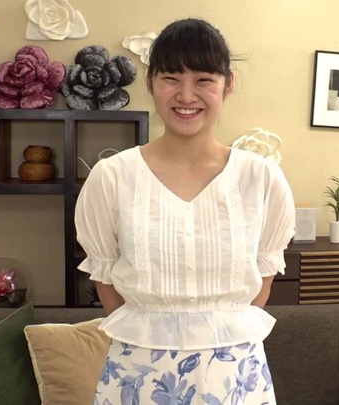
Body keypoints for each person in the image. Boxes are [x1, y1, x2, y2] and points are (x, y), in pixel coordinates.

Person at [75, 17, 295, 404]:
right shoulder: (112, 177)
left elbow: (261, 283)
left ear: (228, 84)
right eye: (171, 78)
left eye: (204, 80)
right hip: (137, 371)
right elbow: (106, 279)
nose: (187, 95)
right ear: (150, 83)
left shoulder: (261, 178)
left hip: (234, 373)